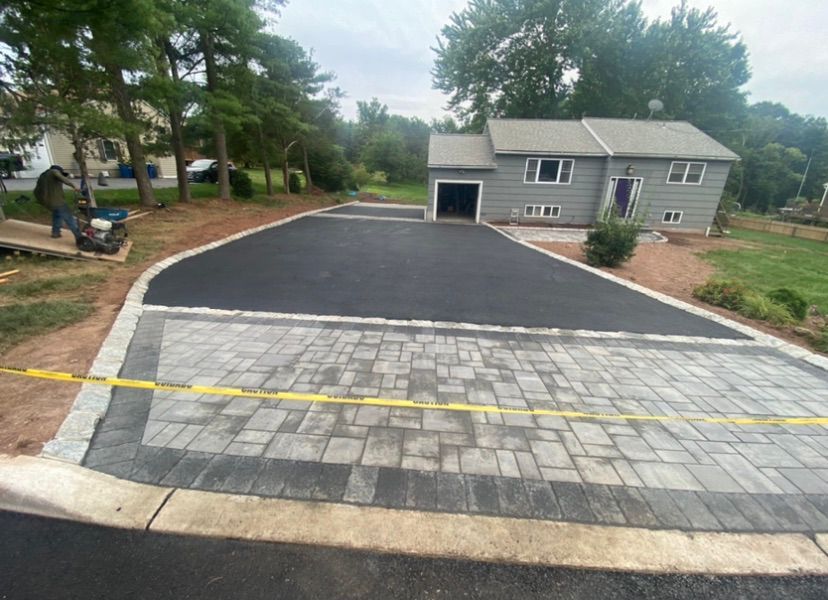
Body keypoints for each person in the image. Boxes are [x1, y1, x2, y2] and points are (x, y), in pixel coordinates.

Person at [34, 165, 80, 239]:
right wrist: (74, 185)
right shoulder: (54, 172)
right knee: (69, 219)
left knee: (57, 215)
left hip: (48, 202)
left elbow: (36, 191)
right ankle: (80, 238)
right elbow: (62, 178)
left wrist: (42, 200)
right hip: (57, 202)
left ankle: (55, 233)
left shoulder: (44, 176)